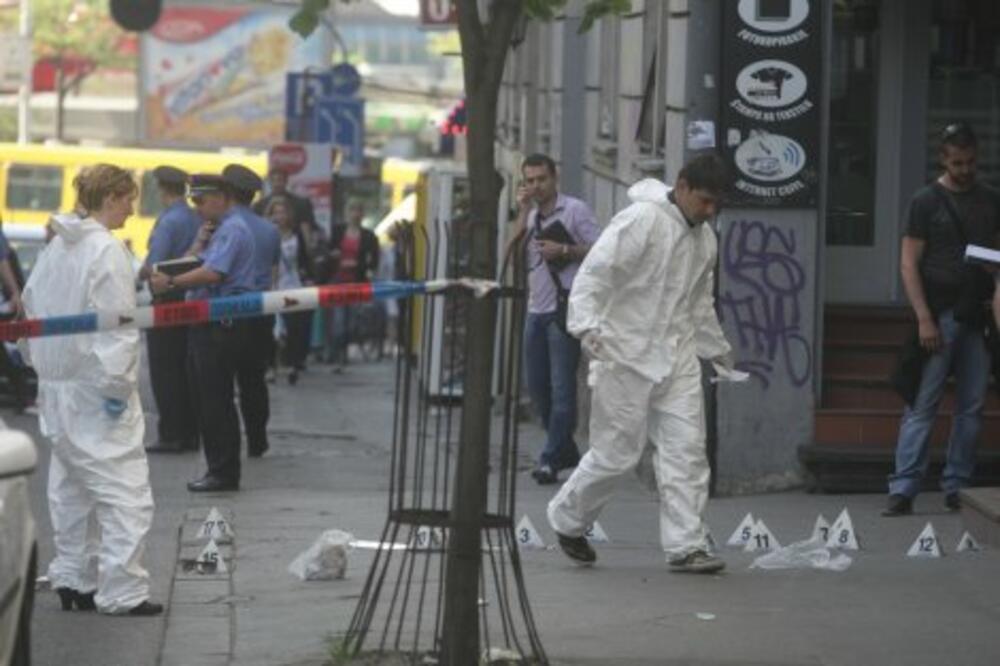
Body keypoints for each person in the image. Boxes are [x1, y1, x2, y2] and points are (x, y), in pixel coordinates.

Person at [546, 154, 734, 573]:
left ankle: (687, 545)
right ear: (682, 186)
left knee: (686, 452)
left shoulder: (704, 240)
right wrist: (588, 327)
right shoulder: (641, 222)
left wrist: (715, 348)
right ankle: (569, 520)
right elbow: (596, 273)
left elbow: (698, 302)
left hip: (677, 356)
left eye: (716, 204)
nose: (710, 211)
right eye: (704, 201)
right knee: (616, 454)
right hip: (624, 354)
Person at [21, 164, 162, 614]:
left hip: (58, 384)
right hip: (94, 387)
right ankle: (123, 591)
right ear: (111, 196)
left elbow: (30, 307)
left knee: (71, 488)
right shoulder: (105, 250)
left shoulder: (59, 247)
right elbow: (117, 324)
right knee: (125, 491)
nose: (131, 209)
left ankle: (73, 578)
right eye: (127, 199)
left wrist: (39, 365)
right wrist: (118, 389)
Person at [883, 123, 1000, 516]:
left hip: (978, 313)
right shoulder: (926, 201)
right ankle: (904, 486)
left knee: (971, 406)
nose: (965, 170)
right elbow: (908, 262)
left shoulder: (990, 200)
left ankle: (957, 486)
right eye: (957, 163)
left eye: (969, 162)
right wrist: (923, 318)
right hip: (939, 312)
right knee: (922, 402)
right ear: (943, 159)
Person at [149, 174, 256, 492]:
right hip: (208, 325)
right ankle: (218, 469)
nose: (197, 207)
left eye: (201, 201)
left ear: (222, 197)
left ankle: (223, 472)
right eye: (194, 201)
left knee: (216, 401)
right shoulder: (219, 229)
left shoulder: (233, 229)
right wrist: (197, 242)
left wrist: (170, 283)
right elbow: (200, 261)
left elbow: (213, 272)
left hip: (220, 327)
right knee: (208, 400)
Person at [508, 153, 601, 485]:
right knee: (537, 388)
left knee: (562, 389)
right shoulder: (531, 216)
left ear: (554, 178)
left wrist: (564, 251)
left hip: (565, 310)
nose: (536, 186)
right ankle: (565, 449)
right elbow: (512, 255)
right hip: (536, 309)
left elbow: (601, 250)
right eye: (529, 180)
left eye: (541, 179)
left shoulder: (574, 210)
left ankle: (549, 458)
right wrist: (521, 212)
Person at [140, 166, 201, 454]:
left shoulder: (168, 222)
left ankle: (171, 433)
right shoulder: (194, 217)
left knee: (165, 371)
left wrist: (138, 271)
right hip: (192, 301)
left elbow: (155, 265)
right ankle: (188, 432)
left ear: (161, 188)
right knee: (185, 369)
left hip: (168, 300)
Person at [223, 164, 280, 458]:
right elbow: (274, 274)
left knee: (222, 381)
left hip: (228, 311)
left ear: (228, 191)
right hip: (260, 310)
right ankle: (258, 440)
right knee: (254, 379)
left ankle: (227, 445)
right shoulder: (270, 229)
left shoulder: (225, 226)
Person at [327, 198, 379, 368]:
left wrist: (360, 265)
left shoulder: (369, 236)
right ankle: (338, 356)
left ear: (363, 214)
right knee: (339, 320)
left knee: (352, 321)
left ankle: (344, 352)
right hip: (338, 281)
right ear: (346, 213)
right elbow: (328, 252)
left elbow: (374, 261)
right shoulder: (337, 231)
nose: (355, 214)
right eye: (352, 210)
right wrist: (333, 256)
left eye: (358, 210)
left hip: (357, 282)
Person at [268, 196, 315, 383]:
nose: (280, 216)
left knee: (294, 327)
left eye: (283, 212)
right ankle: (272, 366)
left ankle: (291, 364)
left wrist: (309, 278)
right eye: (276, 212)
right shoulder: (268, 234)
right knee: (273, 329)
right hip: (273, 286)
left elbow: (305, 258)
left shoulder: (297, 235)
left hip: (294, 285)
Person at [252, 165, 316, 233]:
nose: (276, 184)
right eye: (273, 180)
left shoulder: (301, 204)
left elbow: (307, 228)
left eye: (279, 180)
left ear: (286, 181)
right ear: (269, 182)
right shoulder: (259, 206)